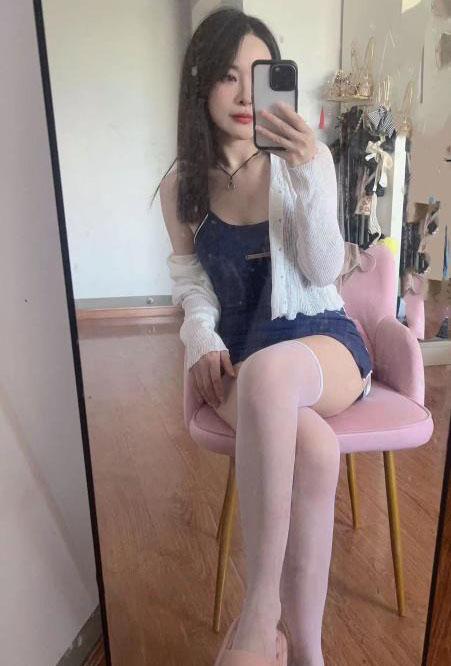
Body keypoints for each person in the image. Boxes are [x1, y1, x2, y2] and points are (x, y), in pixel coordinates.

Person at [154, 8, 373, 666]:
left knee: (274, 373)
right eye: (227, 76)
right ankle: (306, 652)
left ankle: (258, 618)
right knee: (316, 450)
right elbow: (190, 282)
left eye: (259, 76)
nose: (246, 94)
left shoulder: (306, 160)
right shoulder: (182, 187)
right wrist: (201, 335)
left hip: (322, 343)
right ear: (200, 85)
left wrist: (306, 172)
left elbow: (324, 267)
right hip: (242, 357)